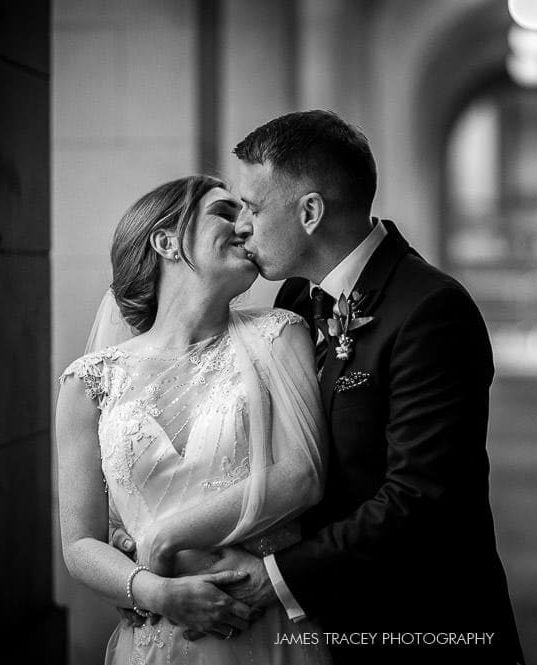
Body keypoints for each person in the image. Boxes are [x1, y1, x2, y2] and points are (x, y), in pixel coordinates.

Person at [203, 110, 524, 664]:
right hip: (330, 627)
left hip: (423, 625)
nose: (242, 226)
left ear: (310, 212)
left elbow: (419, 499)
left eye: (254, 207)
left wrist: (275, 576)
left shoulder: (431, 311)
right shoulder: (296, 303)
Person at [56, 175, 332, 664]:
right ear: (166, 241)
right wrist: (154, 592)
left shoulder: (280, 335)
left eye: (245, 213)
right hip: (156, 635)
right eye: (225, 213)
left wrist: (163, 538)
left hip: (263, 629)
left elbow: (303, 477)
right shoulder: (89, 382)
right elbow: (79, 544)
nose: (244, 226)